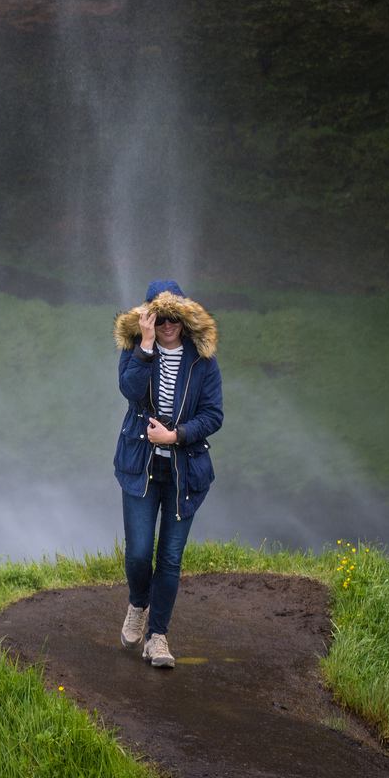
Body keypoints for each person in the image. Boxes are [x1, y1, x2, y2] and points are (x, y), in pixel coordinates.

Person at [112, 279, 223, 669]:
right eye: (160, 320)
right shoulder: (135, 350)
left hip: (185, 473)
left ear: (186, 319)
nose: (168, 327)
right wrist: (144, 345)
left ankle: (157, 638)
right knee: (140, 553)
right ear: (149, 320)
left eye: (175, 319)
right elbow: (129, 390)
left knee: (171, 559)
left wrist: (176, 435)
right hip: (140, 466)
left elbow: (214, 415)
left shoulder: (202, 360)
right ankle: (138, 605)